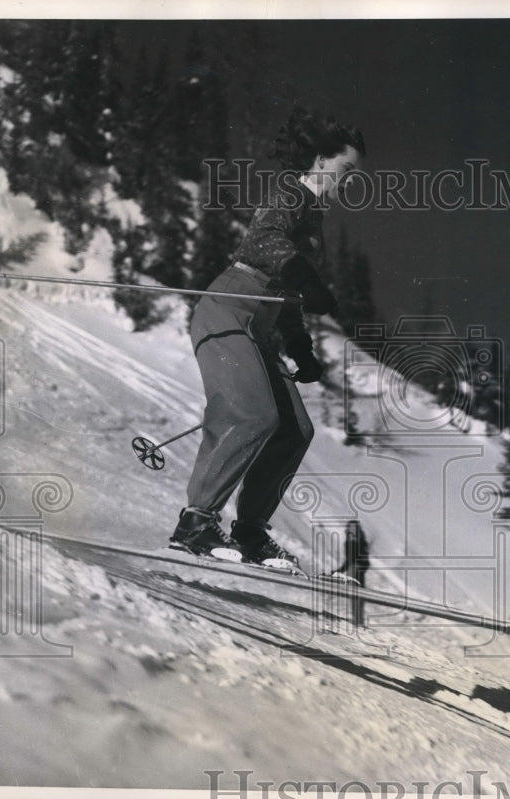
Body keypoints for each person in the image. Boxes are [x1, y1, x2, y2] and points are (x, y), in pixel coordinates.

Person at [170, 107, 366, 567]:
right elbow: (268, 241)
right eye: (346, 169)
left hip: (259, 327)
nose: (350, 180)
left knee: (296, 430)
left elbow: (289, 292)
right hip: (226, 311)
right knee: (252, 414)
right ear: (321, 161)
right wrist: (304, 273)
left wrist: (300, 347)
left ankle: (251, 532)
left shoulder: (314, 217)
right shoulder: (289, 193)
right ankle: (195, 521)